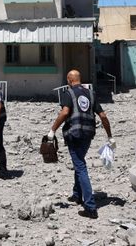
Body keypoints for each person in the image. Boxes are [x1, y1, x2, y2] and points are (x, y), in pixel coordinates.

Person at [47, 69, 114, 219]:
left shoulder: (68, 93)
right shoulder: (91, 93)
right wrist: (110, 136)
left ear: (69, 80)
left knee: (80, 167)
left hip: (74, 134)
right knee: (79, 163)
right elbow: (102, 115)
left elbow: (64, 113)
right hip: (88, 135)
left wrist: (52, 131)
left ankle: (90, 207)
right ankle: (77, 195)